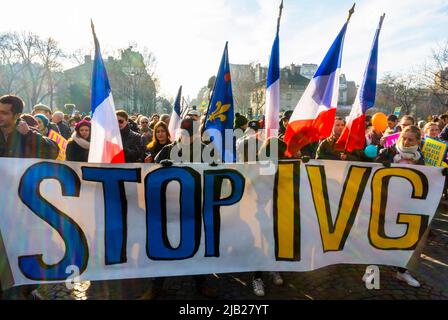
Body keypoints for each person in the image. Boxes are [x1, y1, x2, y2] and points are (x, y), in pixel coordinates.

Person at [144, 117, 217, 299]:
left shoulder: (207, 151)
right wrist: (160, 165)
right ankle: (157, 285)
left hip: (196, 207)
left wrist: (213, 166)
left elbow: (218, 176)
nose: (185, 136)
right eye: (182, 132)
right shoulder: (168, 150)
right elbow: (150, 174)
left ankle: (201, 283)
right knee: (164, 245)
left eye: (189, 133)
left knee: (198, 244)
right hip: (171, 208)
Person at [365, 125, 425, 287]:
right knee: (376, 237)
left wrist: (440, 174)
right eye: (403, 138)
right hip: (384, 203)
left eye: (410, 139)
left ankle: (402, 272)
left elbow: (426, 179)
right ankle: (371, 271)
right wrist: (381, 161)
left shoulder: (420, 157)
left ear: (418, 141)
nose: (405, 141)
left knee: (403, 239)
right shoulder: (389, 152)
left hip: (406, 206)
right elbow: (372, 169)